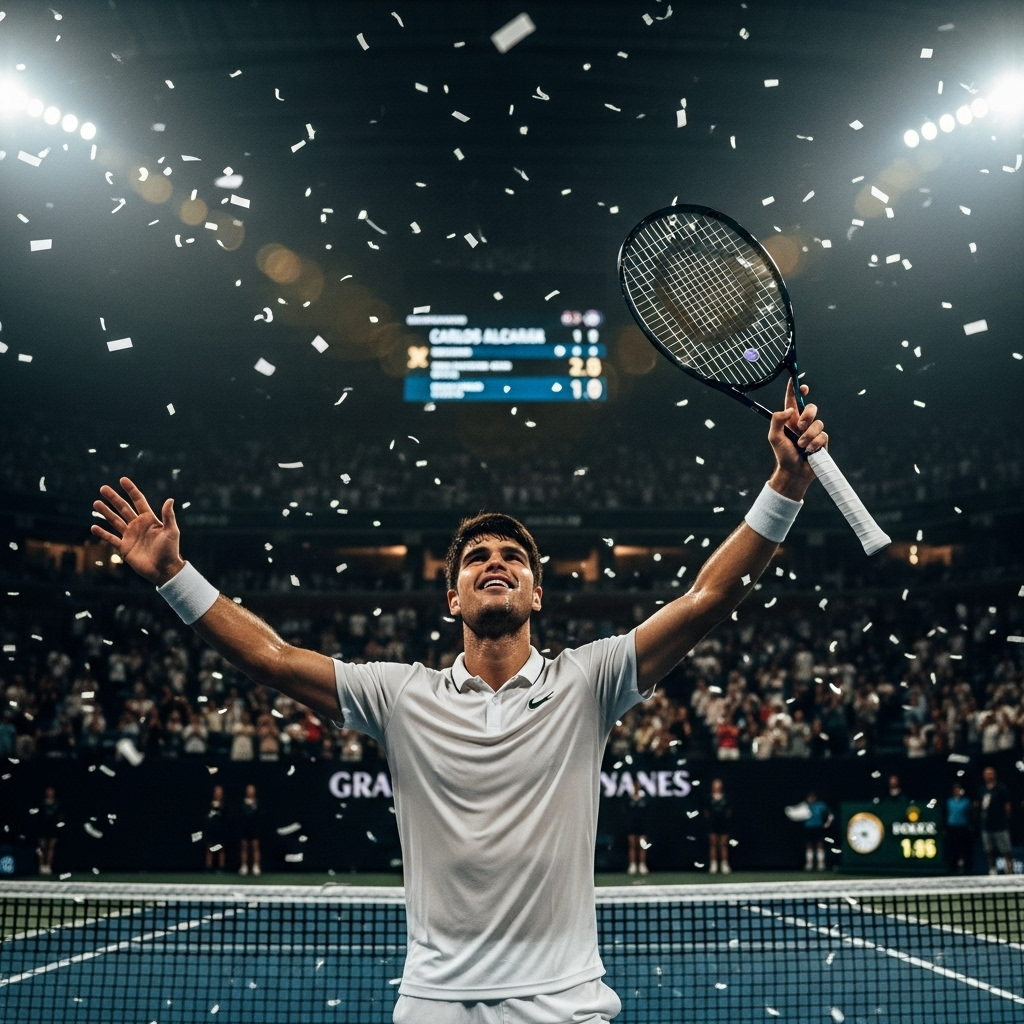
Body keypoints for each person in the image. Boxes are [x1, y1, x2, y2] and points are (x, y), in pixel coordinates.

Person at [91, 382, 827, 1023]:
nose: (496, 562)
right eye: (478, 557)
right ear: (453, 597)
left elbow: (708, 597)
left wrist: (786, 485)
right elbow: (272, 658)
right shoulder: (398, 695)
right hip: (435, 1005)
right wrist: (174, 576)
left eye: (513, 558)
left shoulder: (589, 680)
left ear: (539, 591)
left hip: (565, 1002)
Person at [976, 766, 1013, 875]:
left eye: (991, 773)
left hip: (1000, 825)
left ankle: (1009, 869)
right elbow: (979, 805)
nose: (989, 776)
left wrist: (1005, 819)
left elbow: (1007, 806)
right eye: (986, 774)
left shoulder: (1001, 788)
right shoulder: (982, 790)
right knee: (989, 850)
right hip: (987, 825)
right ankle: (992, 869)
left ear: (995, 774)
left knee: (1005, 849)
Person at [623, 775, 650, 876]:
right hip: (632, 825)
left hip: (642, 825)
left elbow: (647, 812)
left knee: (642, 846)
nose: (635, 787)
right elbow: (626, 812)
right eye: (634, 785)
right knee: (632, 845)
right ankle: (633, 865)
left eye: (637, 785)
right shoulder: (629, 799)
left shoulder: (644, 798)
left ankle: (642, 865)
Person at [705, 778, 732, 875]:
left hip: (723, 823)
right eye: (715, 784)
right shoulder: (709, 798)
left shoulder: (726, 798)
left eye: (718, 784)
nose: (717, 786)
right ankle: (714, 864)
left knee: (724, 844)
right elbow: (706, 812)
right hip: (712, 824)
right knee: (713, 844)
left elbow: (728, 811)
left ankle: (724, 864)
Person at [945, 782, 973, 874]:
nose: (957, 791)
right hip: (952, 828)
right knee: (952, 848)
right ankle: (952, 867)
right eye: (955, 790)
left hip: (963, 828)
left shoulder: (966, 802)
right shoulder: (949, 801)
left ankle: (964, 866)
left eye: (959, 790)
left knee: (963, 848)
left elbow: (970, 814)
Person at [803, 791, 833, 872]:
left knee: (820, 844)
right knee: (809, 845)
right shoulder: (805, 806)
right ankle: (809, 864)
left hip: (818, 827)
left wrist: (827, 823)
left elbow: (830, 814)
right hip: (808, 828)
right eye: (810, 797)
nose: (812, 798)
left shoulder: (821, 805)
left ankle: (821, 864)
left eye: (813, 796)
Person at [36, 786, 62, 876]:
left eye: (51, 791)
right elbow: (38, 815)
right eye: (48, 791)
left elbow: (60, 816)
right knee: (42, 847)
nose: (50, 793)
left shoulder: (57, 803)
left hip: (53, 828)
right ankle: (41, 866)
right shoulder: (42, 803)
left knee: (51, 847)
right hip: (43, 827)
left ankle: (48, 866)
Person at [239, 783, 263, 877]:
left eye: (252, 789)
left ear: (255, 791)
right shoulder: (242, 802)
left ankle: (256, 866)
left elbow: (261, 815)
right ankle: (244, 866)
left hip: (255, 828)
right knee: (244, 846)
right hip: (244, 828)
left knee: (255, 846)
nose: (250, 791)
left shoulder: (258, 803)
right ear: (246, 791)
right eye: (249, 789)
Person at [204, 784, 227, 873]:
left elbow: (227, 818)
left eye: (220, 792)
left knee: (220, 848)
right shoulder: (209, 804)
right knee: (210, 848)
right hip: (210, 830)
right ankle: (209, 867)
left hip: (221, 831)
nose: (218, 793)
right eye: (216, 791)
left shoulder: (224, 806)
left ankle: (221, 867)